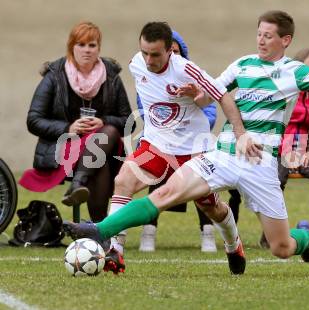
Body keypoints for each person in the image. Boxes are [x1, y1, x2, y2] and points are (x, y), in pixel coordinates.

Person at [64, 11, 309, 275]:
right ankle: (99, 231)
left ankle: (305, 237)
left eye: (268, 35)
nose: (261, 40)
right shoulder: (242, 64)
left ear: (286, 39)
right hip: (223, 154)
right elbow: (214, 95)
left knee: (280, 247)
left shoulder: (295, 72)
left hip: (261, 163)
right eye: (258, 33)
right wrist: (195, 97)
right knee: (164, 193)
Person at [87, 21, 255, 274]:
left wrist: (239, 133)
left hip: (193, 150)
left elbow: (222, 96)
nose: (148, 59)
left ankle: (233, 244)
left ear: (170, 51)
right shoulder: (136, 64)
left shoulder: (186, 70)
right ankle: (115, 252)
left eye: (155, 54)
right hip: (157, 146)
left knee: (210, 206)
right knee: (124, 181)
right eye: (145, 52)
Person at [229, 48, 309, 249]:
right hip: (280, 151)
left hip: (307, 152)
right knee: (275, 180)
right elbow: (277, 125)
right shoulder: (284, 91)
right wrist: (287, 151)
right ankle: (269, 232)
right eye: (305, 67)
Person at [21, 21, 132, 222]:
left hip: (100, 146)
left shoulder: (111, 76)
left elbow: (128, 122)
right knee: (100, 157)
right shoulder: (54, 75)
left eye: (92, 45)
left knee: (107, 135)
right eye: (81, 44)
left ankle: (80, 188)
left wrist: (103, 120)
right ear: (72, 46)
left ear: (99, 48)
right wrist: (68, 127)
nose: (87, 50)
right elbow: (33, 120)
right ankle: (100, 228)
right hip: (64, 145)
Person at [136, 30, 218, 253]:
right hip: (161, 141)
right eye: (168, 52)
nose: (171, 56)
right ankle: (148, 231)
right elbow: (145, 109)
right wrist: (165, 127)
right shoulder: (147, 77)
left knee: (202, 182)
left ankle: (208, 232)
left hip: (193, 143)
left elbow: (211, 110)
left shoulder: (193, 76)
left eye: (175, 51)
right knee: (153, 173)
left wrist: (194, 100)